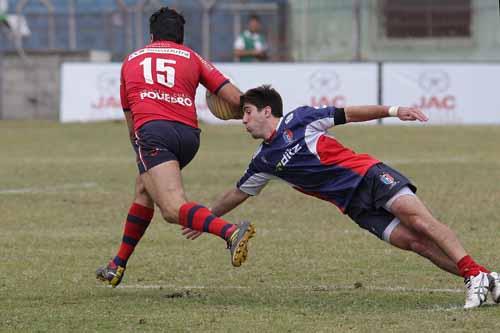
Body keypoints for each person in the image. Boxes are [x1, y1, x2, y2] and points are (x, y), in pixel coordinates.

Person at [181, 85, 500, 309]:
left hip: (369, 176)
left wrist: (392, 110)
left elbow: (348, 113)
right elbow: (238, 193)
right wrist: (206, 216)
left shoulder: (300, 119)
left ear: (267, 111)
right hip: (354, 207)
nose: (243, 119)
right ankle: (489, 280)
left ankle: (473, 275)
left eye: (248, 112)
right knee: (415, 243)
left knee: (422, 222)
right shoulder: (263, 160)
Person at [95, 7, 256, 288]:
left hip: (153, 134)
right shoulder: (192, 56)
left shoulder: (131, 60)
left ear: (151, 35)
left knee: (171, 209)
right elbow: (233, 96)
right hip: (188, 138)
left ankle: (230, 231)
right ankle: (117, 263)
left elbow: (131, 121)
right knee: (144, 188)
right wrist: (254, 113)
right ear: (180, 38)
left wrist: (141, 148)